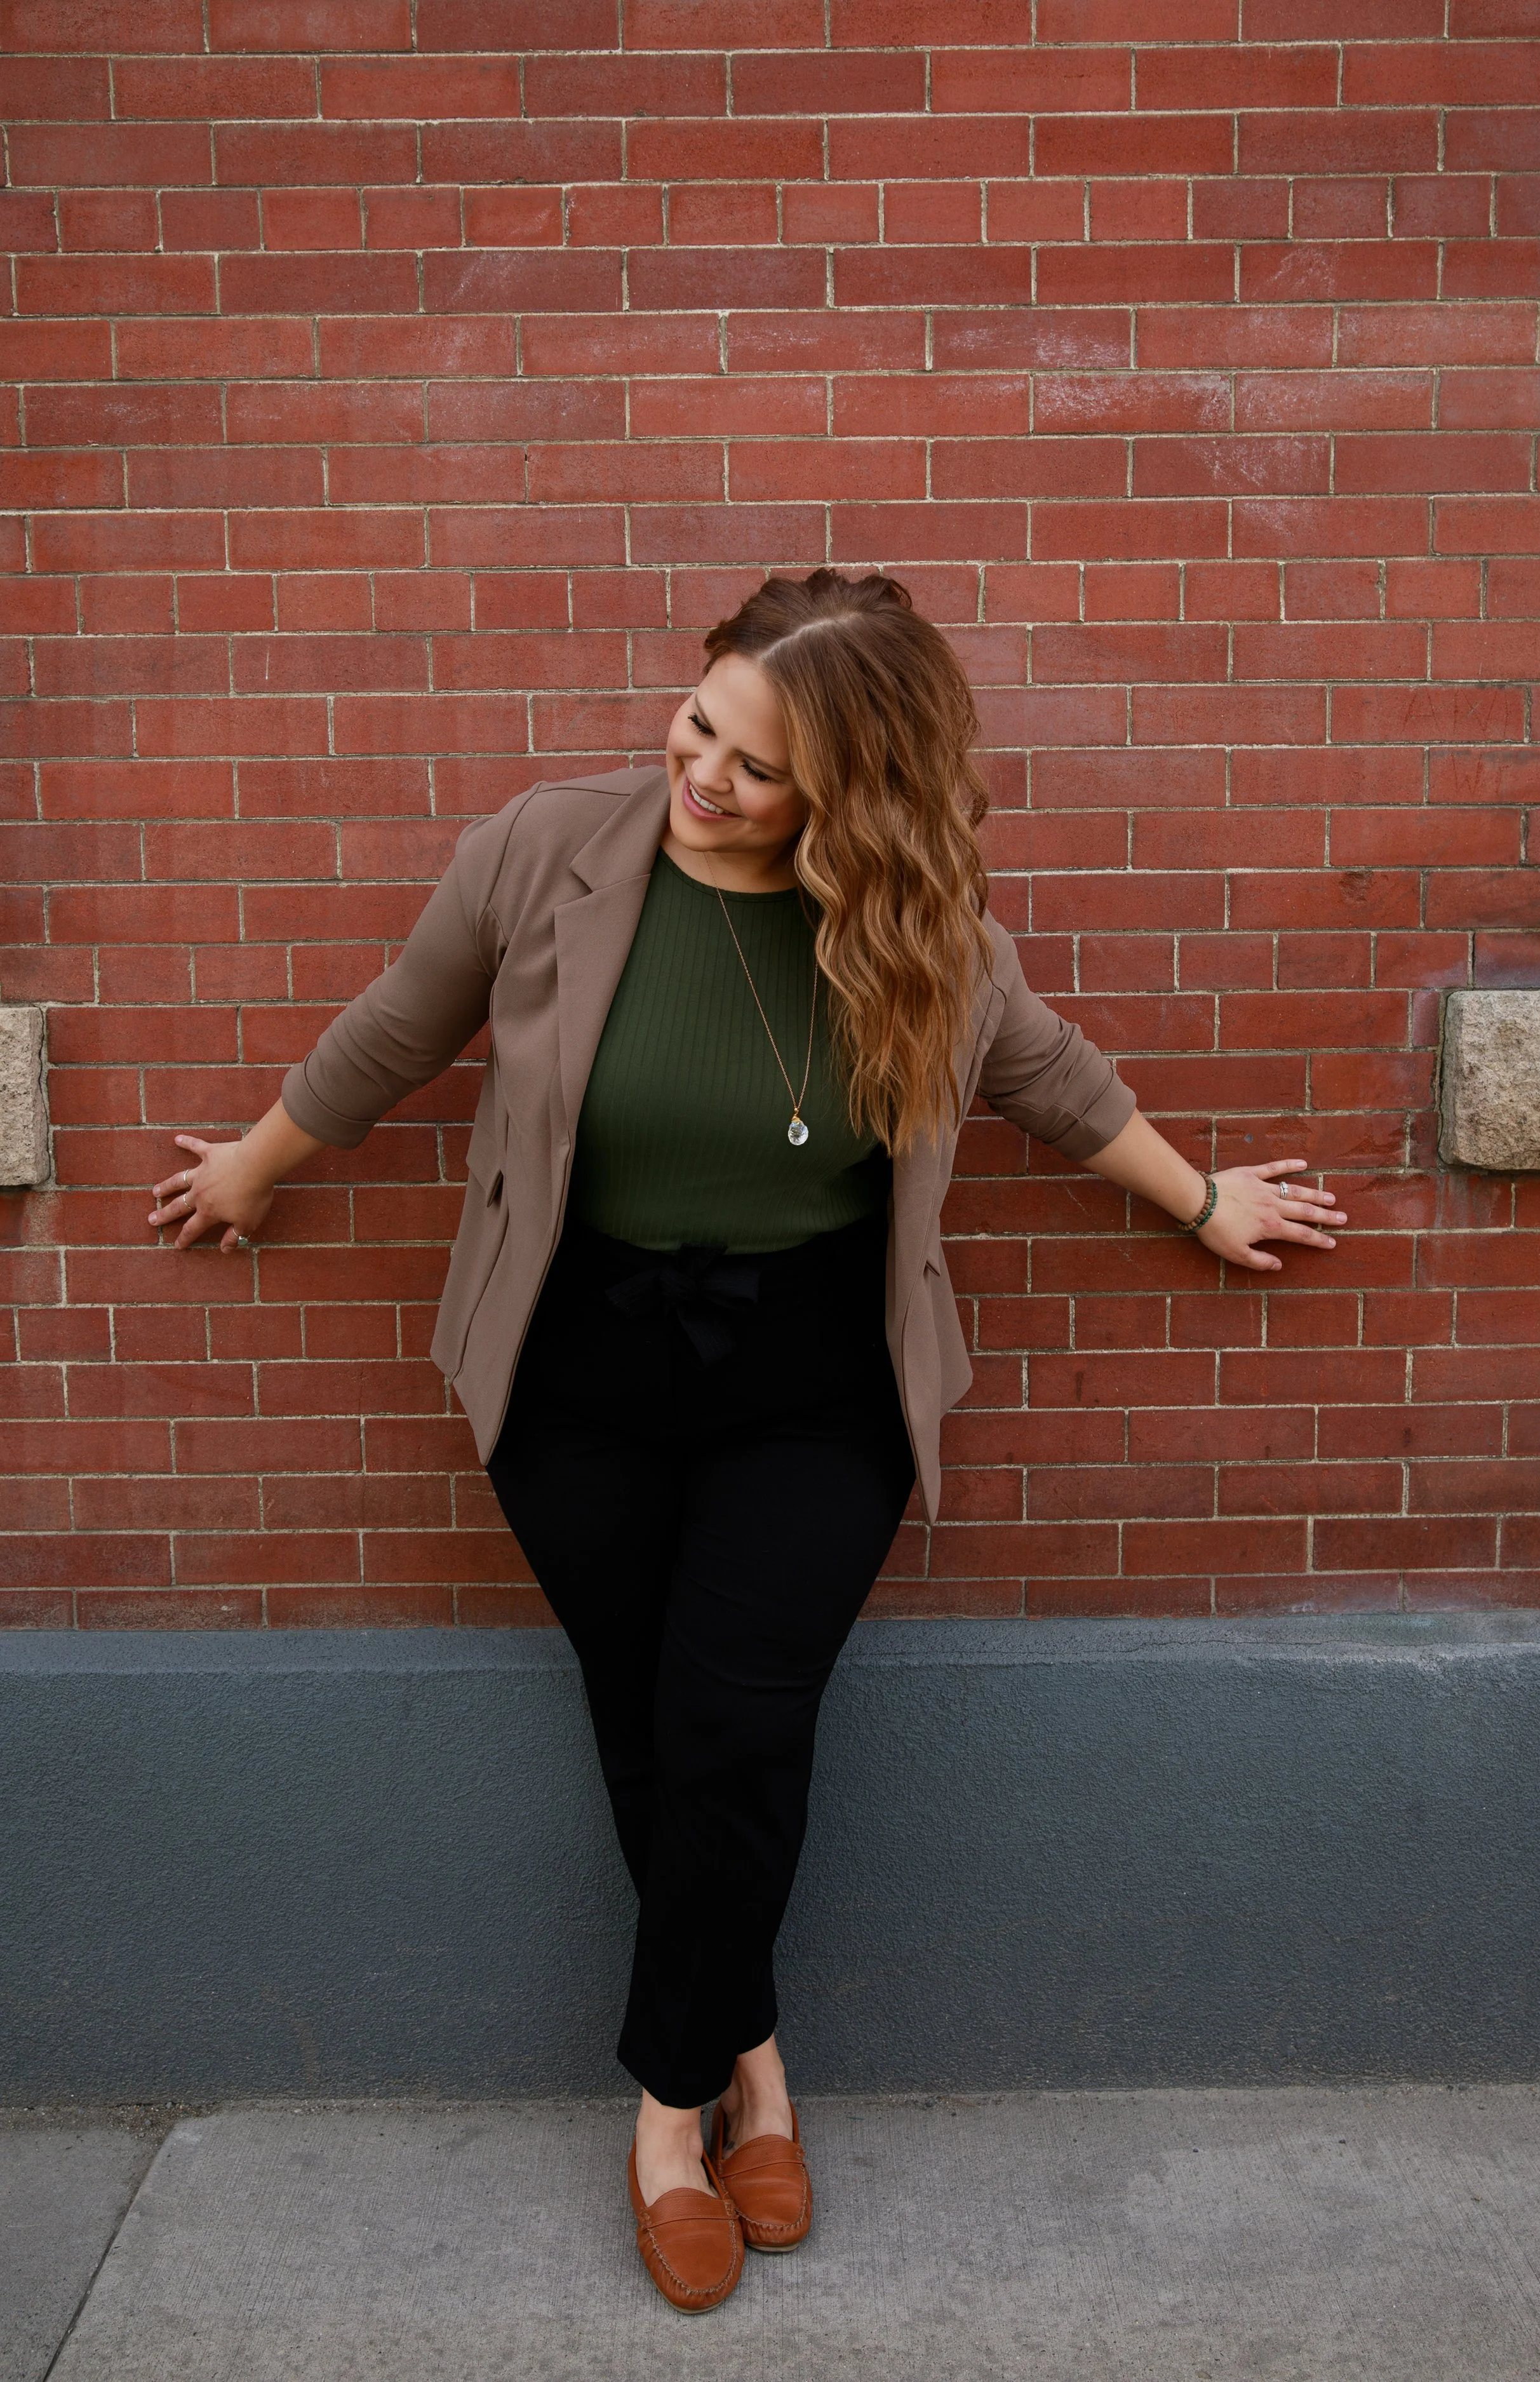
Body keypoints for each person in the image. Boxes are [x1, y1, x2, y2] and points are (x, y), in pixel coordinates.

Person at [148, 569, 1346, 2313]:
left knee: (733, 1713)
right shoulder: (547, 853)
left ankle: (659, 2111)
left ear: (847, 796)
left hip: (811, 1374)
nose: (702, 772)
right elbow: (407, 1019)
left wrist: (1199, 1193)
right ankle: (758, 2063)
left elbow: (1047, 1072)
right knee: (654, 1729)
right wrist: (261, 1158)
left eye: (757, 764)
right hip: (579, 1365)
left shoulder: (914, 923)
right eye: (700, 720)